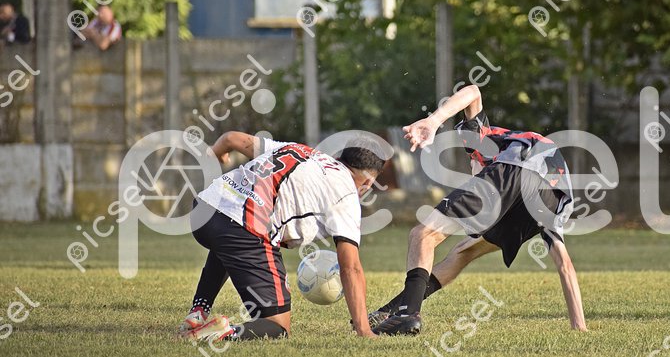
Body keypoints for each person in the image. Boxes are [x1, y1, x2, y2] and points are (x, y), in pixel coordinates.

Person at [370, 84, 587, 335]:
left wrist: (433, 121)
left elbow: (473, 91)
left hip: (515, 167)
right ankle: (390, 311)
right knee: (463, 252)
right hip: (551, 198)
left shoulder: (481, 143)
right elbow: (565, 266)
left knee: (423, 234)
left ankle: (407, 314)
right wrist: (579, 327)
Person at [178, 131, 385, 341]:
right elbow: (350, 268)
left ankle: (198, 311)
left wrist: (216, 153)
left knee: (227, 241)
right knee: (278, 326)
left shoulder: (300, 149)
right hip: (240, 229)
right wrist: (364, 330)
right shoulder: (347, 195)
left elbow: (230, 138)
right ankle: (220, 332)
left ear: (340, 157)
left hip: (204, 209)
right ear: (368, 183)